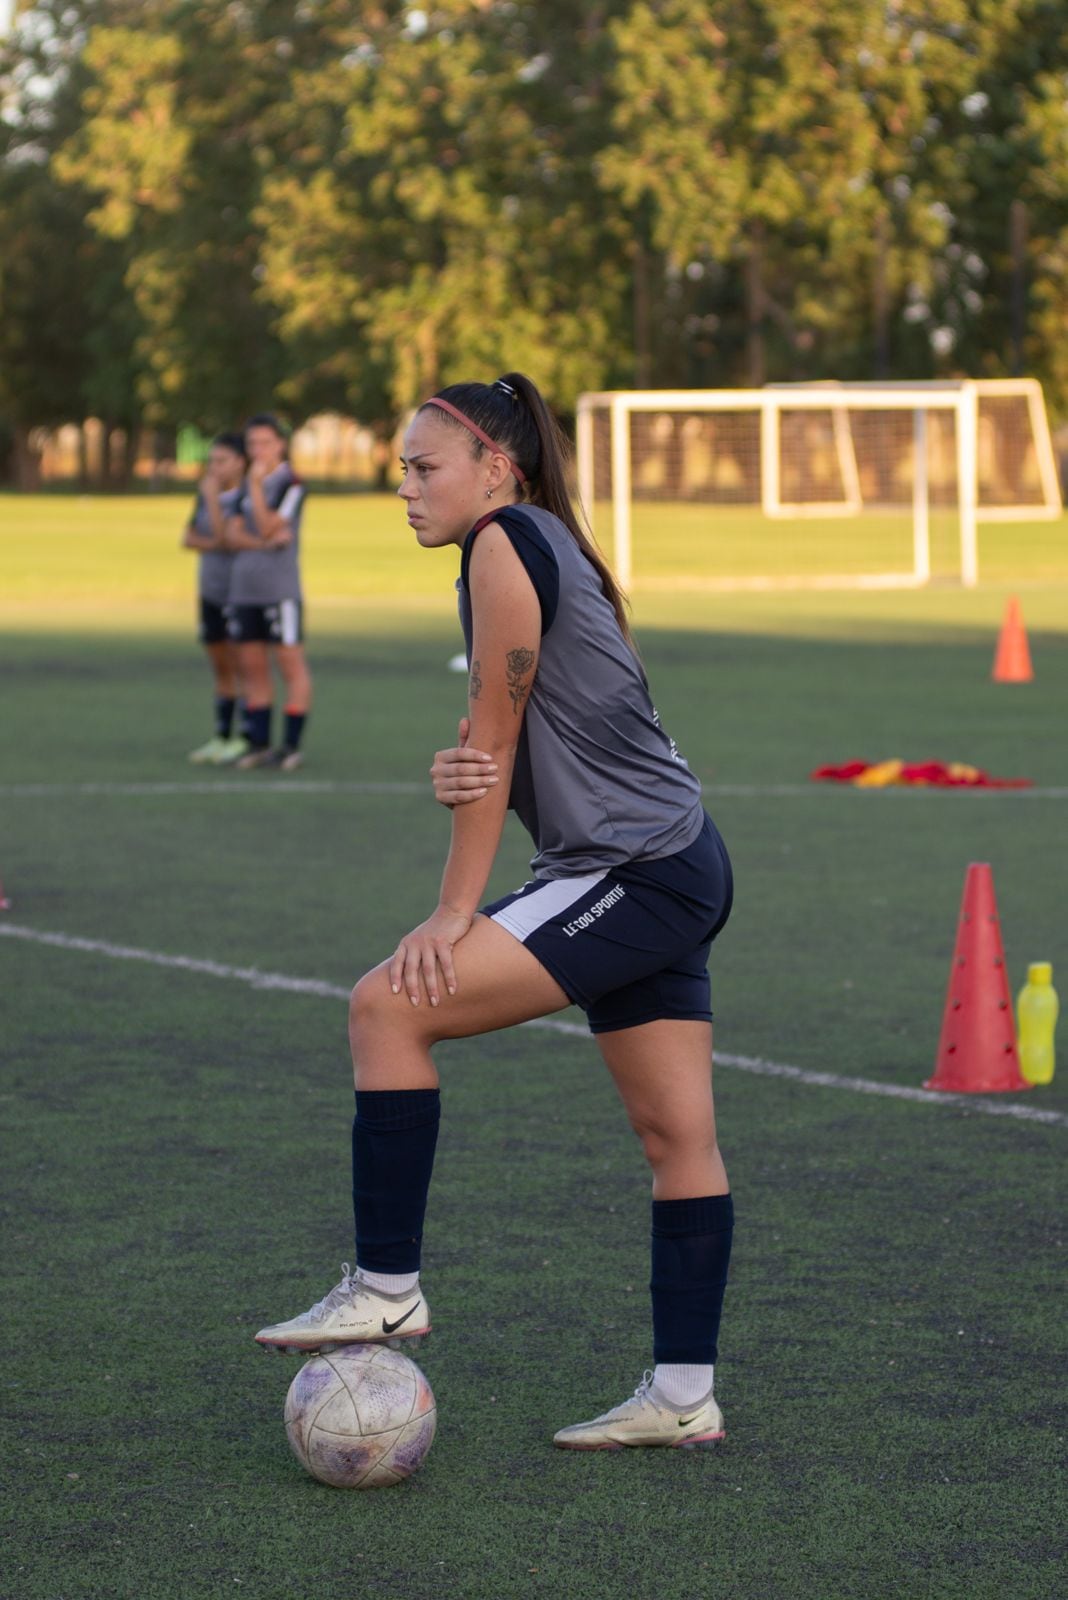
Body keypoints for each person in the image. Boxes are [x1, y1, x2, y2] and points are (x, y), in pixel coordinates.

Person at [255, 373, 735, 1452]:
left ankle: (386, 1285)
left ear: (496, 468)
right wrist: (478, 768)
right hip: (668, 859)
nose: (406, 489)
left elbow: (497, 742)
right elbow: (513, 740)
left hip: (641, 867)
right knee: (676, 1135)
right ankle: (684, 1394)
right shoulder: (535, 543)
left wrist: (452, 912)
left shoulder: (504, 542)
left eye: (425, 467)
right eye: (401, 471)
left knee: (389, 1006)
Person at [223, 413, 312, 771]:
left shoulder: (290, 483)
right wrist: (265, 539)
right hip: (244, 590)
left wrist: (258, 492)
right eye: (251, 443)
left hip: (280, 591)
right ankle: (258, 742)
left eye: (264, 442)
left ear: (280, 444)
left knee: (290, 664)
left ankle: (289, 745)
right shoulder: (243, 483)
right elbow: (232, 534)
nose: (257, 450)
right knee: (252, 668)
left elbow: (271, 523)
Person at [182, 432, 250, 766]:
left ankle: (248, 737)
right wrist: (212, 539)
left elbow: (226, 539)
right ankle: (222, 735)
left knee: (244, 666)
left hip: (239, 594)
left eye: (221, 461)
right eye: (211, 461)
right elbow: (189, 537)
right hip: (210, 590)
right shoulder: (205, 494)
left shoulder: (246, 496)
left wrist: (211, 500)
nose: (214, 468)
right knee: (220, 666)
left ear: (240, 462)